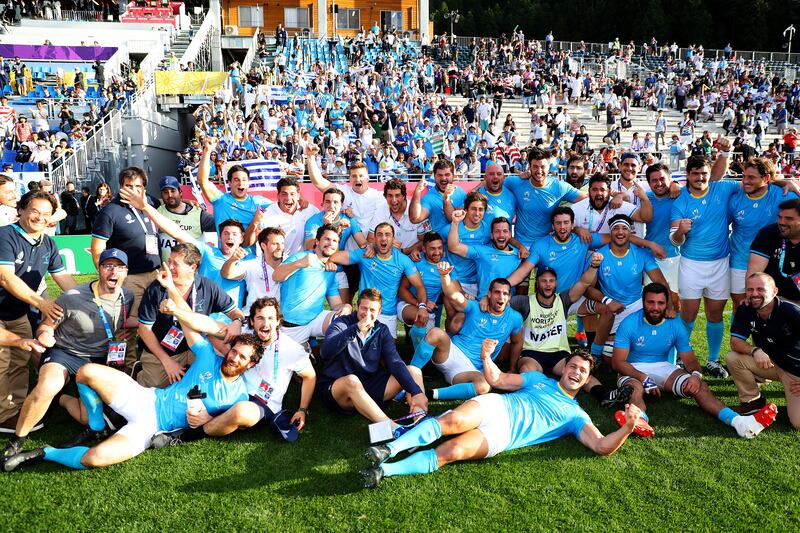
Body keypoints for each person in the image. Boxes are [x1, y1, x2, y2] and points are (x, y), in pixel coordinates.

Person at [359, 342, 641, 488]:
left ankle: (385, 471)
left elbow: (602, 446)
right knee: (451, 422)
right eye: (574, 366)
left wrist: (627, 427)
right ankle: (389, 448)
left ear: (586, 378)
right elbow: (499, 379)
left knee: (451, 451)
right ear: (565, 367)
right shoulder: (538, 379)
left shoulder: (576, 416)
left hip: (504, 436)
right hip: (498, 405)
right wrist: (485, 357)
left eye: (583, 371)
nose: (576, 372)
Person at [1, 320, 263, 472]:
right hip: (147, 398)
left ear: (250, 364)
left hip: (152, 427)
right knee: (86, 372)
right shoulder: (208, 357)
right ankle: (96, 426)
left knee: (93, 459)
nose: (234, 357)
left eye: (242, 357)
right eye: (234, 351)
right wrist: (174, 293)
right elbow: (188, 323)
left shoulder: (239, 396)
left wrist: (205, 419)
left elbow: (221, 425)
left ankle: (45, 453)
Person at [1, 249, 133, 457]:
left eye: (119, 267)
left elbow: (119, 322)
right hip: (65, 353)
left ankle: (62, 398)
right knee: (47, 386)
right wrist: (45, 335)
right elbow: (46, 325)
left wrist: (148, 323)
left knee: (90, 419)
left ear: (126, 272)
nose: (113, 271)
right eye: (108, 266)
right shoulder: (72, 297)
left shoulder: (128, 297)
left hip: (98, 359)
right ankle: (16, 441)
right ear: (99, 269)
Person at [148, 293, 315, 447]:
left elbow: (310, 376)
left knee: (241, 411)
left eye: (271, 318)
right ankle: (167, 414)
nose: (266, 323)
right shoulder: (245, 335)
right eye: (260, 318)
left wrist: (302, 409)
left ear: (279, 321)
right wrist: (174, 301)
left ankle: (183, 436)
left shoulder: (291, 349)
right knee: (205, 381)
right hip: (233, 388)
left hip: (262, 404)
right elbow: (204, 323)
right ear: (252, 321)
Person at [613, 282, 778, 438]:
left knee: (700, 387)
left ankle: (739, 422)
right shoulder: (629, 323)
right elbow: (618, 362)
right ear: (643, 302)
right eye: (650, 302)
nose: (655, 308)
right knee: (635, 389)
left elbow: (690, 361)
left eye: (660, 303)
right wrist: (643, 379)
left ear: (666, 304)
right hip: (633, 368)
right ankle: (640, 420)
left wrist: (696, 376)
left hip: (663, 367)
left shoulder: (675, 324)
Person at [0, 191, 75, 433]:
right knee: (1, 362)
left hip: (18, 313)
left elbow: (63, 278)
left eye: (45, 214)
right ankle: (2, 416)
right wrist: (41, 303)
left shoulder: (48, 242)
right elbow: (5, 278)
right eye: (34, 211)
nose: (39, 218)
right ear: (20, 210)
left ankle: (16, 407)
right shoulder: (5, 236)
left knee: (21, 360)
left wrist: (89, 301)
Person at [408, 262, 522, 401]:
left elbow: (517, 343)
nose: (501, 297)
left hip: (470, 370)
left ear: (509, 297)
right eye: (497, 292)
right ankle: (409, 380)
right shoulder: (476, 307)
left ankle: (431, 394)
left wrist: (512, 367)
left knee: (484, 385)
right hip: (450, 352)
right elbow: (453, 295)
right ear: (490, 294)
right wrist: (444, 276)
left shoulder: (515, 318)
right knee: (436, 333)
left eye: (505, 293)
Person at [136, 243, 245, 388]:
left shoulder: (207, 286)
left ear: (192, 268)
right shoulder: (156, 288)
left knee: (208, 381)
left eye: (175, 264)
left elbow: (235, 311)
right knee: (154, 385)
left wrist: (237, 322)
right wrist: (167, 361)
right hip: (163, 351)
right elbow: (144, 329)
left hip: (195, 347)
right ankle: (140, 371)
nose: (170, 268)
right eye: (169, 262)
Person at [670, 155, 741, 377]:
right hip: (691, 265)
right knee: (688, 315)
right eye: (695, 173)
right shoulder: (681, 199)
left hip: (720, 264)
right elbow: (674, 240)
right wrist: (681, 231)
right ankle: (681, 358)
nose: (700, 177)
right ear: (688, 175)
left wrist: (786, 182)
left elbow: (753, 181)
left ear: (710, 174)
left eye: (704, 173)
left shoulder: (722, 188)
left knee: (715, 314)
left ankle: (712, 360)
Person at [318, 288, 427, 424]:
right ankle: (391, 427)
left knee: (414, 371)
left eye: (373, 310)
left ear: (380, 311)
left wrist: (416, 391)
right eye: (364, 308)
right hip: (338, 389)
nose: (367, 314)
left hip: (366, 386)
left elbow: (394, 362)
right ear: (357, 307)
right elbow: (325, 352)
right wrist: (356, 328)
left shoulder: (382, 330)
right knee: (352, 380)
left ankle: (420, 420)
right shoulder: (342, 323)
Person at [91, 167, 161, 369]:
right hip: (129, 278)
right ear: (120, 187)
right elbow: (97, 249)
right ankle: (124, 368)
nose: (133, 191)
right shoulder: (110, 211)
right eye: (128, 186)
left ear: (144, 189)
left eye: (138, 187)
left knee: (156, 321)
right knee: (125, 326)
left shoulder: (150, 204)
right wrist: (108, 280)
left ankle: (150, 361)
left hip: (155, 274)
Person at [590, 214, 672, 361]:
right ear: (610, 232)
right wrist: (608, 301)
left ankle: (667, 360)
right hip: (612, 308)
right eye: (616, 228)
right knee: (610, 353)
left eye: (624, 228)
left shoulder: (641, 254)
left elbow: (661, 282)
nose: (620, 232)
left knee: (651, 339)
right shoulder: (599, 255)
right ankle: (595, 355)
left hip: (637, 305)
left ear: (630, 232)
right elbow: (588, 288)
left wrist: (670, 307)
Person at [330, 222, 428, 339]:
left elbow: (419, 286)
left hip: (388, 314)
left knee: (387, 354)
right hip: (366, 312)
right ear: (374, 238)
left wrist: (422, 307)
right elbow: (334, 256)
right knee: (362, 352)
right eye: (380, 235)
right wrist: (329, 259)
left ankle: (415, 342)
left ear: (393, 238)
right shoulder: (365, 254)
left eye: (387, 234)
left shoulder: (402, 260)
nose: (383, 238)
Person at [727, 273, 800, 425]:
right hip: (770, 363)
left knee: (798, 423)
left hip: (795, 371)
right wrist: (755, 351)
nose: (754, 294)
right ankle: (753, 401)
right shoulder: (746, 308)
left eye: (760, 289)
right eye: (750, 289)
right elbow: (735, 342)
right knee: (733, 358)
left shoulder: (791, 312)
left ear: (774, 292)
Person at [272, 224, 352, 346]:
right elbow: (276, 276)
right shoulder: (300, 257)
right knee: (289, 363)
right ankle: (306, 348)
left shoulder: (330, 271)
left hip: (316, 320)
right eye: (327, 239)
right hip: (291, 325)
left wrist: (346, 307)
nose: (331, 243)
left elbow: (335, 304)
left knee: (344, 322)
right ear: (317, 241)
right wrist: (299, 263)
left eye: (335, 241)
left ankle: (329, 358)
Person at [504, 147, 586, 250]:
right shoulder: (516, 182)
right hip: (520, 246)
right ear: (529, 167)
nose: (539, 171)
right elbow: (490, 182)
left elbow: (589, 198)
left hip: (545, 247)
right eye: (535, 166)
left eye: (543, 166)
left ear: (549, 167)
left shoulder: (559, 187)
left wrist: (612, 196)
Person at [195, 137, 270, 233]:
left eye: (244, 180)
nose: (240, 183)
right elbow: (203, 181)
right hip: (224, 248)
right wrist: (207, 150)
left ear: (248, 183)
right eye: (236, 180)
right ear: (229, 183)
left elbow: (282, 206)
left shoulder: (259, 201)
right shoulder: (221, 200)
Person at [247, 176, 317, 257]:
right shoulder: (266, 215)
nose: (288, 198)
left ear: (298, 196)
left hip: (302, 263)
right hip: (276, 265)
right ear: (278, 196)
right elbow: (250, 242)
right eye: (284, 194)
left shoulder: (310, 210)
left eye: (292, 194)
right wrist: (255, 222)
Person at [747, 198, 800, 304]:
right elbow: (755, 270)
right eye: (779, 217)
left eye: (788, 218)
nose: (781, 222)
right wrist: (753, 296)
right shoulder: (768, 234)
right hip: (775, 300)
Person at [222, 227, 284, 315]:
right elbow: (226, 274)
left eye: (282, 243)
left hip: (278, 319)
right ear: (263, 246)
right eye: (275, 244)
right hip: (253, 318)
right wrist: (233, 260)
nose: (280, 247)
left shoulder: (290, 262)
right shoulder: (252, 264)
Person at [153, 175, 217, 261]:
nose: (170, 195)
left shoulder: (199, 214)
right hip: (166, 270)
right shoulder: (157, 212)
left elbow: (220, 230)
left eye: (173, 191)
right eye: (165, 192)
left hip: (190, 271)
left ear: (180, 192)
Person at [409, 159, 465, 234]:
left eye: (447, 175)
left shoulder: (460, 192)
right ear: (434, 176)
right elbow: (415, 219)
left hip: (460, 240)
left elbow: (464, 220)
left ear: (453, 175)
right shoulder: (428, 198)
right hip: (440, 243)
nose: (443, 178)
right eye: (439, 175)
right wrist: (417, 192)